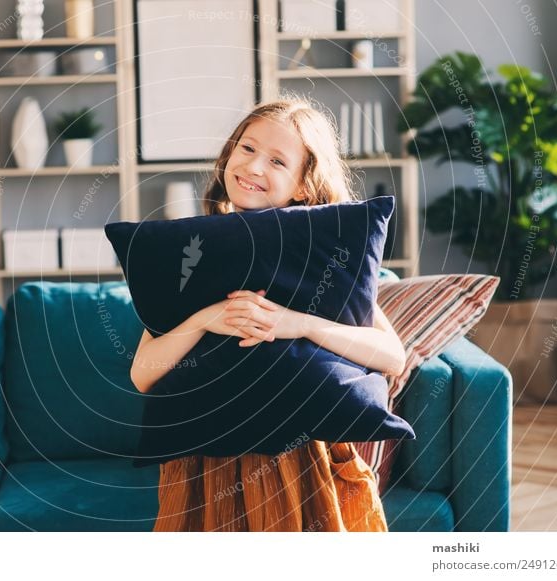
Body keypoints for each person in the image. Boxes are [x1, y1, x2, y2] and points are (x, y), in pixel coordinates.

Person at [129, 96, 407, 532]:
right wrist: (206, 319)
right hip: (202, 468)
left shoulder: (322, 258)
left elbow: (392, 356)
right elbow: (143, 374)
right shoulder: (193, 252)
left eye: (277, 160)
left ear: (303, 183)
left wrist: (298, 323)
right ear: (229, 155)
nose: (254, 167)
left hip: (302, 461)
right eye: (247, 148)